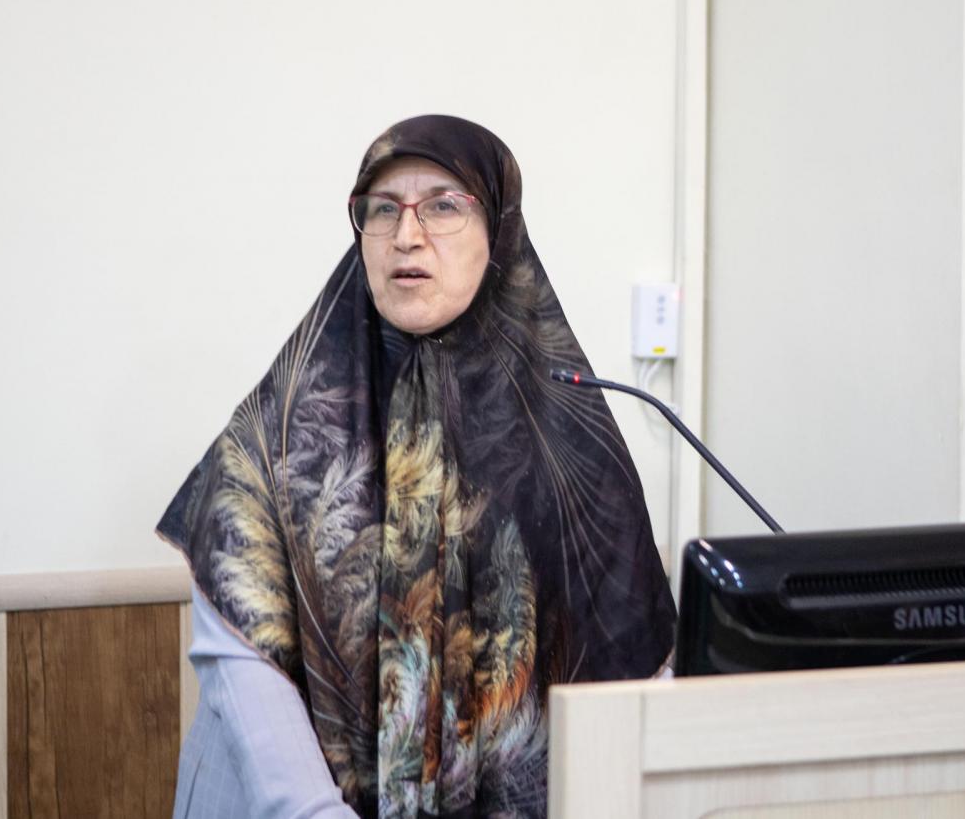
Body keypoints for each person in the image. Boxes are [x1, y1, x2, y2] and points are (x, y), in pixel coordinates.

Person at [158, 115, 676, 818]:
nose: (406, 234)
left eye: (442, 205)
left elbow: (634, 674)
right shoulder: (274, 439)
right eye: (382, 209)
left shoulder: (573, 449)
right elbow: (245, 670)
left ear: (499, 230)